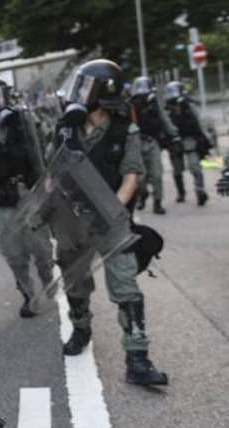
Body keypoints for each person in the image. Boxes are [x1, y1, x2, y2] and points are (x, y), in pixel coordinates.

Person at [54, 59, 167, 385]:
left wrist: (110, 210)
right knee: (75, 281)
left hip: (113, 218)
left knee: (126, 285)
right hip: (74, 220)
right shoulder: (66, 128)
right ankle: (81, 327)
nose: (80, 93)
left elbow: (132, 176)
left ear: (104, 94)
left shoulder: (125, 130)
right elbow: (53, 174)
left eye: (87, 86)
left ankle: (137, 358)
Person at [0, 76, 54, 317]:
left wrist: (46, 183)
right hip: (3, 198)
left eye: (0, 96)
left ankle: (47, 276)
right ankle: (28, 295)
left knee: (41, 247)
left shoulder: (25, 122)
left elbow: (42, 147)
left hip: (29, 192)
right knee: (14, 252)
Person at [128, 76, 180, 214]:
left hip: (152, 143)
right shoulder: (130, 105)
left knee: (157, 174)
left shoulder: (154, 103)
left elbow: (164, 119)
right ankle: (142, 194)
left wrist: (174, 135)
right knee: (140, 177)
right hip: (136, 143)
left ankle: (157, 202)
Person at [164, 81, 211, 206]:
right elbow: (164, 124)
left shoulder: (188, 105)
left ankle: (200, 190)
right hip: (174, 140)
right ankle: (181, 193)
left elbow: (199, 122)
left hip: (189, 138)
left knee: (194, 166)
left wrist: (204, 137)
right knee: (177, 169)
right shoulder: (167, 108)